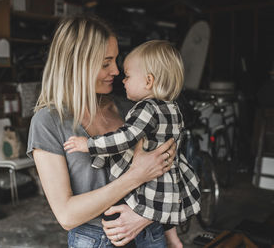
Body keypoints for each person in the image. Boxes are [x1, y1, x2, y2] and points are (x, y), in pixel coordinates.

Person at [27, 15, 178, 248]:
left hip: (150, 232)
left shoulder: (130, 109)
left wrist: (146, 217)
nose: (116, 71)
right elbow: (67, 215)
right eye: (106, 63)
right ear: (77, 64)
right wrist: (136, 176)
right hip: (96, 239)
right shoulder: (48, 122)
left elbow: (169, 168)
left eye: (115, 60)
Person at [63, 40, 201, 248]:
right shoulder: (172, 108)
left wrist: (89, 145)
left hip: (146, 191)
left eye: (127, 76)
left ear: (148, 81)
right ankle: (172, 237)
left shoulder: (147, 108)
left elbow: (126, 137)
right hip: (166, 186)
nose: (122, 79)